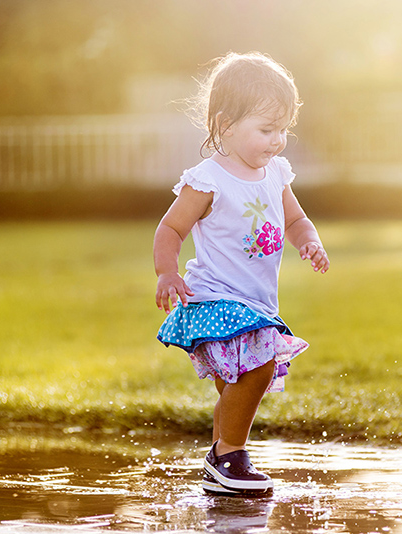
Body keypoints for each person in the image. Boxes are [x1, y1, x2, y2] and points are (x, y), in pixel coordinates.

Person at [153, 51, 329, 497]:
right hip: (216, 298)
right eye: (267, 130)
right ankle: (229, 454)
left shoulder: (276, 174)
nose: (277, 142)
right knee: (260, 365)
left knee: (236, 381)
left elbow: (296, 221)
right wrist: (167, 272)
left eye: (283, 130)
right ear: (226, 124)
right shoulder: (208, 179)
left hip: (255, 301)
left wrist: (311, 241)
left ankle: (221, 459)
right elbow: (171, 227)